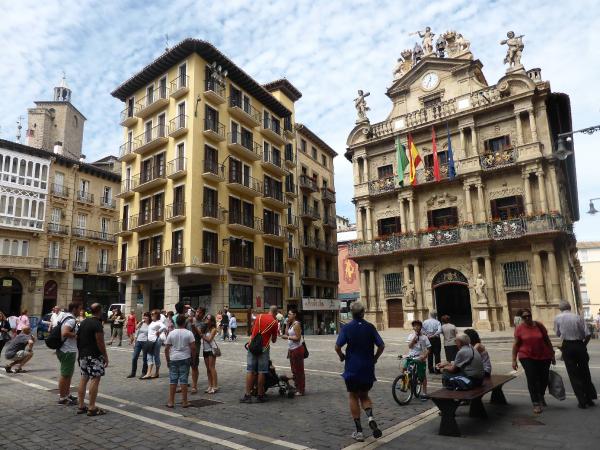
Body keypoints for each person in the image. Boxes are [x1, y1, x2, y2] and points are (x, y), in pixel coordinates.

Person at [335, 301, 384, 442]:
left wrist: (341, 356)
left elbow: (337, 347)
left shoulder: (347, 328)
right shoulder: (370, 327)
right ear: (363, 312)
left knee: (353, 396)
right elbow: (381, 345)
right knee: (364, 395)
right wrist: (375, 358)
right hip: (367, 368)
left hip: (352, 368)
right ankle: (370, 418)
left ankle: (359, 431)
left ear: (351, 313)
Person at [554, 300, 597, 408]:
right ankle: (589, 399)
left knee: (573, 375)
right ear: (569, 307)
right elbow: (588, 334)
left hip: (568, 346)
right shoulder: (578, 317)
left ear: (560, 308)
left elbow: (558, 333)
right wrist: (583, 345)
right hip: (579, 345)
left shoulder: (558, 318)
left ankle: (582, 401)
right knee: (585, 372)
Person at [512, 309, 555, 414]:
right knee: (531, 378)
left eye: (529, 316)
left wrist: (552, 354)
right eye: (524, 317)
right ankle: (535, 403)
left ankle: (540, 395)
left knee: (544, 378)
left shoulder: (539, 325)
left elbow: (547, 340)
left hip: (544, 355)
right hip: (526, 356)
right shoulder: (519, 329)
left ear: (531, 315)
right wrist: (514, 359)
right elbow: (516, 345)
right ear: (521, 318)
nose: (527, 318)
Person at [240, 305, 279, 403]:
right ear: (275, 313)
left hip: (252, 346)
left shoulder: (259, 316)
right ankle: (260, 395)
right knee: (262, 371)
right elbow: (274, 340)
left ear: (269, 310)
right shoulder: (274, 322)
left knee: (250, 370)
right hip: (264, 348)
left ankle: (248, 395)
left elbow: (253, 330)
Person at [76, 303, 108, 416]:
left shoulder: (83, 322)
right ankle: (92, 407)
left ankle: (80, 406)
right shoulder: (97, 324)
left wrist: (79, 355)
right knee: (95, 378)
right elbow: (100, 342)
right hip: (94, 355)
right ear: (100, 311)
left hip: (83, 354)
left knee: (84, 378)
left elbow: (77, 339)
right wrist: (105, 356)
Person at [165, 314, 196, 408]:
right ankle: (184, 401)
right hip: (185, 358)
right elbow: (193, 348)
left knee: (173, 380)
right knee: (184, 380)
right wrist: (193, 359)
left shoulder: (171, 333)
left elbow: (166, 348)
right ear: (185, 322)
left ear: (176, 323)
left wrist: (167, 360)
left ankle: (171, 401)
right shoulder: (189, 333)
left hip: (174, 358)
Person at [56, 302, 81, 405]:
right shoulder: (70, 319)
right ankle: (62, 397)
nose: (80, 311)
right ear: (74, 309)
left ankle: (67, 394)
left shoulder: (64, 316)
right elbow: (65, 332)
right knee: (65, 374)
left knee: (68, 374)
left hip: (64, 349)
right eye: (79, 308)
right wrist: (76, 335)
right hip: (67, 350)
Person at [403, 320, 431, 400]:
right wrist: (413, 341)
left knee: (422, 376)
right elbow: (409, 346)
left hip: (420, 357)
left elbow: (429, 349)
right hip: (411, 356)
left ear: (421, 327)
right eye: (415, 326)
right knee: (405, 369)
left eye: (418, 325)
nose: (416, 327)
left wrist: (424, 356)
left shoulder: (424, 337)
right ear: (413, 327)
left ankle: (424, 392)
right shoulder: (411, 335)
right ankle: (405, 384)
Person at [281, 308, 305, 396]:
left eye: (290, 314)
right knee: (294, 370)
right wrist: (287, 324)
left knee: (299, 370)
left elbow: (298, 338)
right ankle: (297, 387)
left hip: (297, 349)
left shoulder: (297, 324)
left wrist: (287, 338)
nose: (288, 316)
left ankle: (301, 389)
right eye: (288, 314)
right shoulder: (291, 324)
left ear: (294, 315)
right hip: (291, 349)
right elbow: (287, 333)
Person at [143, 310, 167, 379]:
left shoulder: (159, 322)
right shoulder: (152, 322)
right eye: (151, 314)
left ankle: (156, 372)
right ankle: (149, 373)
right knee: (149, 355)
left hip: (156, 341)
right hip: (150, 340)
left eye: (153, 314)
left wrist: (158, 331)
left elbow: (164, 327)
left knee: (156, 356)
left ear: (157, 315)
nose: (151, 315)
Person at [127, 312, 151, 378]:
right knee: (134, 357)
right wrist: (134, 341)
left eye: (146, 316)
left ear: (149, 317)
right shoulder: (141, 323)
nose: (144, 318)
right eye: (143, 316)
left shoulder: (151, 325)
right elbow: (137, 330)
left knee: (145, 358)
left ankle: (144, 372)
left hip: (146, 342)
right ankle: (133, 373)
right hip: (138, 341)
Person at [190, 307, 207, 394]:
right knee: (184, 367)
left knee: (194, 366)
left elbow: (198, 333)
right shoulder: (190, 319)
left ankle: (194, 386)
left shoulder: (203, 324)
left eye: (200, 313)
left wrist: (193, 325)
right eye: (197, 312)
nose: (197, 314)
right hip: (185, 347)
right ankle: (183, 385)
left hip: (195, 347)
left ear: (203, 314)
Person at [201, 314, 219, 394]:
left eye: (208, 318)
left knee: (212, 368)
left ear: (211, 321)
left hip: (211, 350)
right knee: (208, 369)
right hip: (205, 350)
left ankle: (215, 386)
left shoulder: (213, 329)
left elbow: (209, 339)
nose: (206, 319)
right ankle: (210, 385)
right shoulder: (205, 328)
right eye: (206, 318)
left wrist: (201, 335)